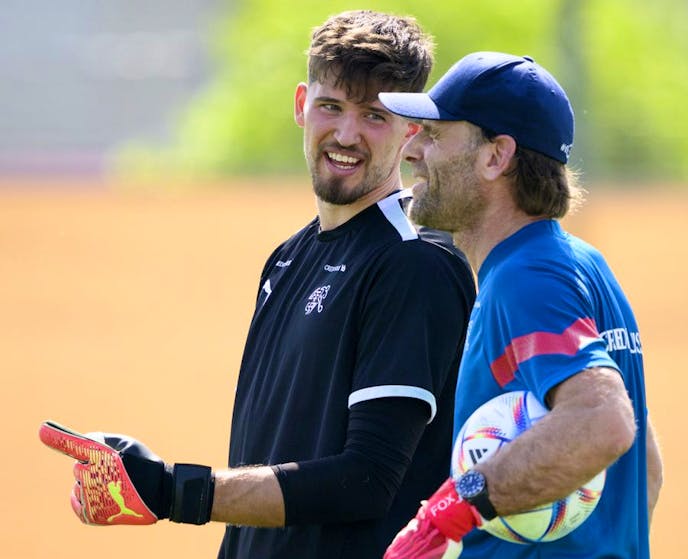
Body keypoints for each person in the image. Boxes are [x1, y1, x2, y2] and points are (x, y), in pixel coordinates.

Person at [38, 11, 476, 559]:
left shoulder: (414, 266)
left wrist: (174, 490)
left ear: (411, 128)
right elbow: (265, 463)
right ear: (301, 105)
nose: (346, 134)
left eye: (374, 115)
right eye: (331, 106)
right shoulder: (287, 261)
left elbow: (367, 480)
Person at [378, 51, 664, 559]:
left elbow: (606, 422)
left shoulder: (524, 278)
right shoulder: (582, 263)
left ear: (496, 156)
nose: (412, 149)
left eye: (435, 134)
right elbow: (644, 465)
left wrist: (447, 513)